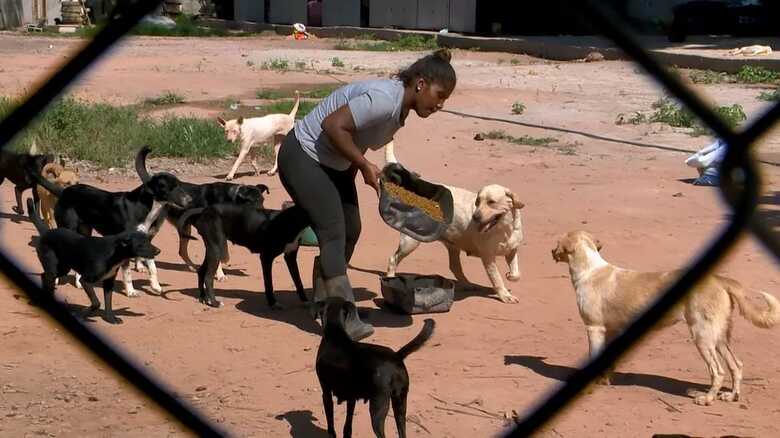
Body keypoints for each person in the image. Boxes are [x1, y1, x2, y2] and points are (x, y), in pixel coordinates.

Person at [277, 48, 457, 340]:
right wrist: (363, 165)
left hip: (334, 164)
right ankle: (342, 317)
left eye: (445, 100)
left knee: (351, 228)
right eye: (440, 96)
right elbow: (333, 126)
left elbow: (354, 138)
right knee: (333, 231)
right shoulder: (385, 99)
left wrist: (375, 176)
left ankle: (324, 303)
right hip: (303, 156)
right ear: (421, 84)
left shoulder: (399, 108)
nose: (440, 105)